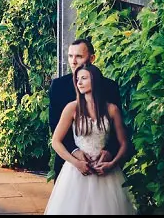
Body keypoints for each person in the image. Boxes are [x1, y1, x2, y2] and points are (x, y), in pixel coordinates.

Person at [44, 63, 135, 214]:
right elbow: (56, 141)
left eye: (84, 78)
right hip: (76, 171)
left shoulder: (112, 109)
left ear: (95, 80)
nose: (79, 82)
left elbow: (124, 143)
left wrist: (112, 164)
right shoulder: (72, 108)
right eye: (77, 79)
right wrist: (76, 163)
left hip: (105, 172)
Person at [49, 38, 121, 177]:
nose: (73, 61)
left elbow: (118, 129)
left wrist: (109, 152)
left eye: (79, 56)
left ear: (92, 58)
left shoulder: (110, 87)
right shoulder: (58, 87)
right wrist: (75, 151)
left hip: (103, 165)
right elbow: (54, 126)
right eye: (70, 56)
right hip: (69, 162)